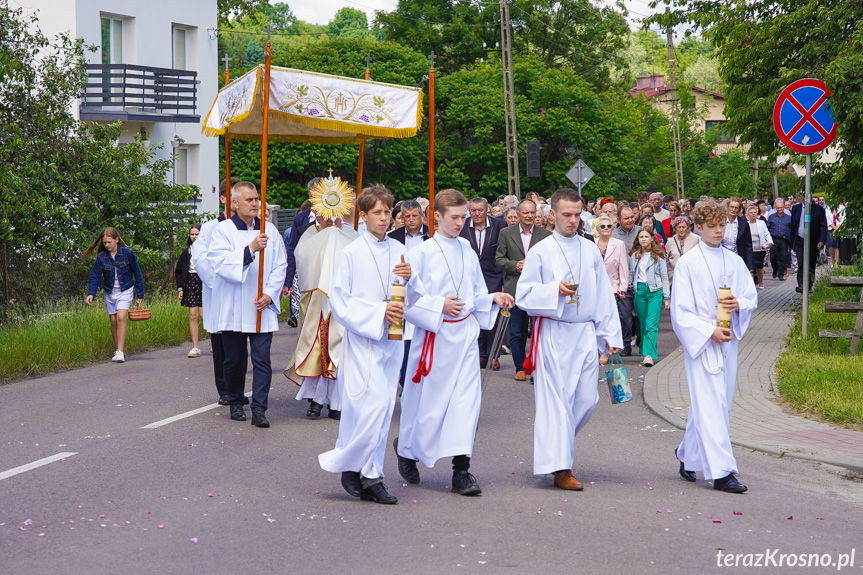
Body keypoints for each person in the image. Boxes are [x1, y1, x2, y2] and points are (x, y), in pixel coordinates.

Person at [395, 189, 514, 496]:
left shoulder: (466, 249)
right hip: (433, 341)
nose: (461, 223)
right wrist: (439, 305)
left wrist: (493, 297)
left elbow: (473, 294)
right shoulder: (419, 253)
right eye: (455, 217)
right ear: (436, 216)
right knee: (427, 406)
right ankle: (407, 450)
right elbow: (408, 301)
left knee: (466, 406)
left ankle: (461, 471)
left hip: (463, 339)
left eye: (464, 217)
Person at [516, 189, 622, 490]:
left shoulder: (589, 250)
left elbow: (603, 294)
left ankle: (555, 448)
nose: (573, 220)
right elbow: (523, 296)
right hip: (554, 330)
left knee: (587, 400)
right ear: (552, 215)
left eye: (577, 214)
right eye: (567, 214)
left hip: (585, 331)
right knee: (556, 403)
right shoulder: (540, 250)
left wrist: (609, 335)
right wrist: (554, 291)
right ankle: (560, 466)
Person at [318, 185, 416, 504]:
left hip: (393, 338)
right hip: (364, 341)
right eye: (378, 212)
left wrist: (411, 279)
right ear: (363, 216)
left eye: (388, 212)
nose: (385, 217)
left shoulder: (400, 250)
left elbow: (412, 296)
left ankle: (358, 469)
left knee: (385, 407)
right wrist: (378, 311)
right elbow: (340, 302)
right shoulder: (351, 253)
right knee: (370, 406)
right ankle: (364, 473)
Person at [672, 200, 757, 493]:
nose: (718, 231)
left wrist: (738, 304)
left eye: (722, 225)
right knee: (711, 402)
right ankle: (722, 472)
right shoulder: (687, 263)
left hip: (727, 339)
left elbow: (750, 295)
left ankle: (687, 454)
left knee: (720, 402)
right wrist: (709, 332)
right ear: (698, 228)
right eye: (712, 226)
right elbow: (680, 312)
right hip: (703, 340)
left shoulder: (734, 261)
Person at [208, 181, 287, 428]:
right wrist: (250, 249)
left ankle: (260, 408)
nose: (255, 204)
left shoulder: (270, 230)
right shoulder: (223, 230)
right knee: (234, 359)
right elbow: (219, 263)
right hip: (233, 304)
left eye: (256, 199)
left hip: (260, 305)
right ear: (235, 203)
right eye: (249, 200)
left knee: (262, 360)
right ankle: (234, 401)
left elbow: (279, 265)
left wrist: (271, 294)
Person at [194, 178, 249, 405]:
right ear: (225, 199)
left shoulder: (250, 226)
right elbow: (200, 259)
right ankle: (224, 389)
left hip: (243, 290)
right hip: (219, 290)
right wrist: (220, 280)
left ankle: (238, 389)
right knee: (221, 343)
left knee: (240, 344)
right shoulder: (210, 227)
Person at [495, 198, 552, 381]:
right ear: (518, 214)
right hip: (515, 289)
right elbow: (498, 259)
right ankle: (520, 368)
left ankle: (535, 367)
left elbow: (551, 261)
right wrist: (515, 265)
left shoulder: (545, 235)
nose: (529, 216)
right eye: (525, 212)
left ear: (537, 214)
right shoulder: (506, 233)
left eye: (532, 212)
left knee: (538, 331)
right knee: (517, 332)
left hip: (537, 290)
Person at [84, 227, 145, 364]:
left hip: (126, 289)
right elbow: (95, 276)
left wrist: (140, 293)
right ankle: (117, 348)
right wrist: (91, 293)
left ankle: (120, 352)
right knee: (113, 320)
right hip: (110, 292)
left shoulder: (127, 253)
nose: (107, 245)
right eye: (105, 243)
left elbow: (137, 273)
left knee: (121, 317)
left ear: (117, 240)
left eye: (109, 242)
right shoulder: (101, 257)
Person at [461, 197, 507, 370]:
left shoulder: (499, 226)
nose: (477, 214)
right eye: (473, 211)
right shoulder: (463, 226)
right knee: (475, 315)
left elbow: (504, 254)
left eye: (480, 210)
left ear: (487, 210)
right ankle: (480, 354)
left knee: (493, 317)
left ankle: (493, 355)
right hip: (471, 279)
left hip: (493, 277)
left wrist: (503, 281)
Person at [388, 199, 430, 385]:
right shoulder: (392, 237)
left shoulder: (432, 237)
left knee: (419, 338)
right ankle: (403, 379)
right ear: (401, 218)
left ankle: (421, 377)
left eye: (415, 216)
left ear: (422, 216)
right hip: (399, 292)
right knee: (400, 339)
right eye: (407, 216)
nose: (412, 220)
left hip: (424, 291)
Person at [628, 226, 670, 367]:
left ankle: (649, 355)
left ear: (652, 238)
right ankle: (645, 349)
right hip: (640, 291)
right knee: (643, 324)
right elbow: (631, 274)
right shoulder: (635, 256)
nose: (644, 239)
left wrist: (667, 296)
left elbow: (664, 276)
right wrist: (626, 287)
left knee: (651, 324)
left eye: (646, 236)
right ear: (638, 239)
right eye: (641, 237)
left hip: (655, 291)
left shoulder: (659, 256)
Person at [595, 214, 628, 363]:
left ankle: (605, 351)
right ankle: (595, 348)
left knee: (608, 319)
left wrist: (623, 286)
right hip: (594, 288)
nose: (606, 229)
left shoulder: (618, 243)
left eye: (609, 226)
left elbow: (623, 266)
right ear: (597, 229)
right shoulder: (592, 243)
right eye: (603, 226)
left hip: (612, 286)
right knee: (595, 319)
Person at [611, 205, 639, 356]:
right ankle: (626, 344)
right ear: (618, 219)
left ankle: (642, 343)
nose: (630, 220)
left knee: (640, 317)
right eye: (626, 218)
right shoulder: (613, 235)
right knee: (625, 317)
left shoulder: (641, 232)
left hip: (640, 281)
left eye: (632, 217)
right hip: (623, 282)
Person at [174, 223, 204, 358]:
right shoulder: (187, 252)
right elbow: (179, 271)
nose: (194, 237)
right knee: (193, 314)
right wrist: (180, 288)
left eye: (196, 234)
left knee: (205, 315)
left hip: (204, 281)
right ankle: (195, 346)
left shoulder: (207, 250)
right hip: (190, 282)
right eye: (192, 234)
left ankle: (214, 341)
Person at [789, 194, 829, 293]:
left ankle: (809, 284)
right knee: (801, 261)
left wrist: (821, 240)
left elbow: (823, 226)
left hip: (813, 241)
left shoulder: (818, 209)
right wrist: (791, 242)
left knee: (811, 262)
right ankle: (801, 284)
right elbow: (793, 225)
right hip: (799, 240)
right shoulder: (795, 208)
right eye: (804, 196)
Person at [722, 197, 754, 274]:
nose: (733, 210)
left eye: (736, 208)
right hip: (721, 258)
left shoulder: (743, 223)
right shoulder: (720, 221)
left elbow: (748, 245)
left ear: (739, 209)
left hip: (737, 258)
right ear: (728, 207)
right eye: (731, 207)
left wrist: (750, 265)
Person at [665, 215, 699, 285]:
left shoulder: (695, 240)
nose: (681, 230)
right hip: (673, 277)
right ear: (675, 228)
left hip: (690, 276)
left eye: (683, 227)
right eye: (679, 227)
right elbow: (665, 258)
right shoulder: (670, 241)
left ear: (688, 228)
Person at [745, 205, 773, 289]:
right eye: (751, 213)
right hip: (750, 248)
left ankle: (761, 282)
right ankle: (751, 284)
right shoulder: (746, 224)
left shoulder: (761, 223)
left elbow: (766, 233)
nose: (753, 214)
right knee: (751, 266)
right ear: (748, 214)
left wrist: (770, 242)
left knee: (759, 266)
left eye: (754, 212)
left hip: (760, 248)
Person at [766, 198, 791, 281]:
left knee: (783, 256)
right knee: (773, 257)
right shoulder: (772, 217)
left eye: (781, 207)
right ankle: (775, 269)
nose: (779, 209)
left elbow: (791, 228)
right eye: (778, 208)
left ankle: (781, 274)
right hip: (774, 239)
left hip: (783, 240)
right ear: (775, 208)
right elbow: (767, 228)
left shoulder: (788, 217)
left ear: (784, 207)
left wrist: (787, 236)